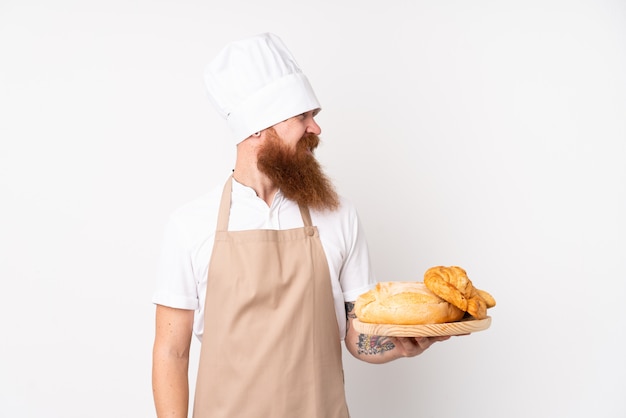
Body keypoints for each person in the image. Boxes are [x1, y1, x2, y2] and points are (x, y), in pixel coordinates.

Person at [151, 32, 450, 418]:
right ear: (258, 128)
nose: (316, 129)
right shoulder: (190, 225)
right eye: (302, 117)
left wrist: (402, 343)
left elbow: (358, 337)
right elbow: (171, 352)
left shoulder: (339, 214)